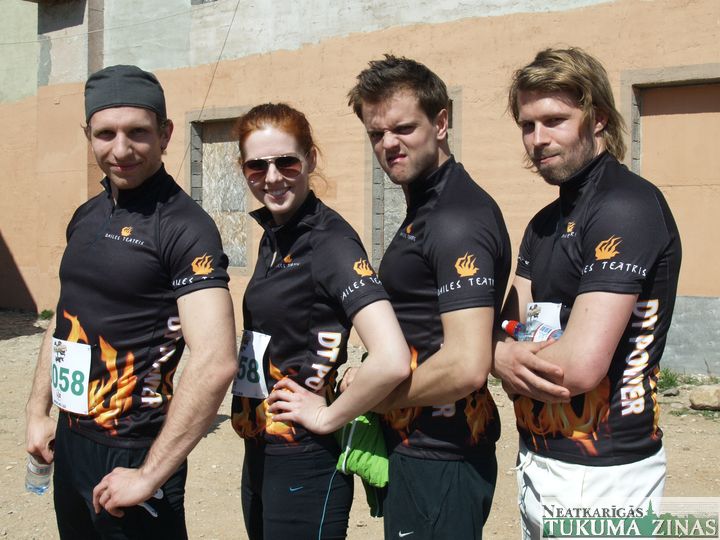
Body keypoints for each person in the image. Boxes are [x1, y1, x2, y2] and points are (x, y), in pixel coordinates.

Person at [24, 65, 237, 539]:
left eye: (137, 132)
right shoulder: (86, 215)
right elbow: (65, 316)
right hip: (71, 440)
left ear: (165, 134)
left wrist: (149, 474)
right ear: (88, 135)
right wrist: (39, 411)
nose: (121, 150)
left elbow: (216, 359)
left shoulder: (185, 227)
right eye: (106, 134)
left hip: (133, 450)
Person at [494, 47, 682, 539]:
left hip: (605, 474)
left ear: (597, 118)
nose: (538, 139)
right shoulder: (544, 223)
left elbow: (574, 368)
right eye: (528, 125)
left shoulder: (626, 206)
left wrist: (500, 355)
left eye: (555, 120)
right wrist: (501, 352)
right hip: (539, 457)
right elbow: (509, 327)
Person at [347, 55, 511, 539]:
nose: (388, 144)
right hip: (421, 450)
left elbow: (465, 365)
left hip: (443, 456)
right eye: (376, 134)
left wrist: (375, 395)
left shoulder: (455, 219)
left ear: (440, 123)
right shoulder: (428, 207)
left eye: (403, 128)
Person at [229, 103, 410, 540]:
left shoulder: (330, 242)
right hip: (262, 446)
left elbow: (391, 358)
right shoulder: (276, 235)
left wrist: (328, 417)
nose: (272, 177)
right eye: (257, 166)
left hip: (305, 456)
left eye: (286, 162)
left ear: (310, 159)